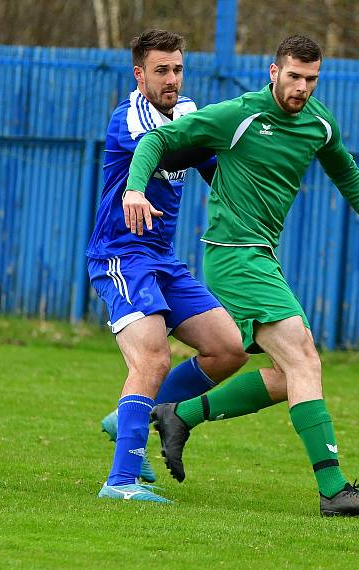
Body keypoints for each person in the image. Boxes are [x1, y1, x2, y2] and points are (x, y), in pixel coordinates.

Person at [123, 35, 359, 516]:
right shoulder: (239, 114)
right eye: (293, 76)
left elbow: (345, 168)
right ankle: (333, 489)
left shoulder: (318, 122)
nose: (301, 88)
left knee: (285, 376)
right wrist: (135, 190)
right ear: (273, 72)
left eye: (311, 79)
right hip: (234, 255)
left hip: (260, 257)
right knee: (304, 360)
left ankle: (179, 415)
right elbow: (159, 139)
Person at [86, 29, 249, 503]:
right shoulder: (129, 118)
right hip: (120, 256)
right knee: (153, 357)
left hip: (163, 260)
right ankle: (121, 483)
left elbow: (211, 168)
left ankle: (130, 416)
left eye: (177, 68)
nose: (172, 78)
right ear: (140, 75)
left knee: (229, 348)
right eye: (161, 70)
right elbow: (171, 146)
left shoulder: (189, 112)